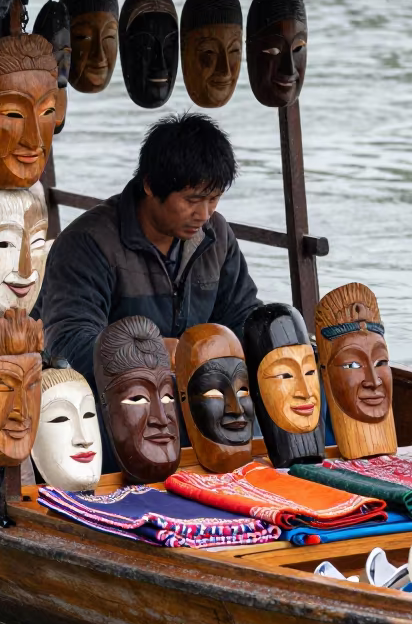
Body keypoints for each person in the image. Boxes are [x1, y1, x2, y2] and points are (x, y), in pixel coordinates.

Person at [38, 111, 261, 410]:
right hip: (112, 408)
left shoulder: (216, 235)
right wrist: (152, 353)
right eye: (192, 200)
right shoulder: (87, 243)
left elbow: (241, 315)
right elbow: (69, 347)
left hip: (199, 399)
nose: (205, 214)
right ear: (150, 185)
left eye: (215, 198)